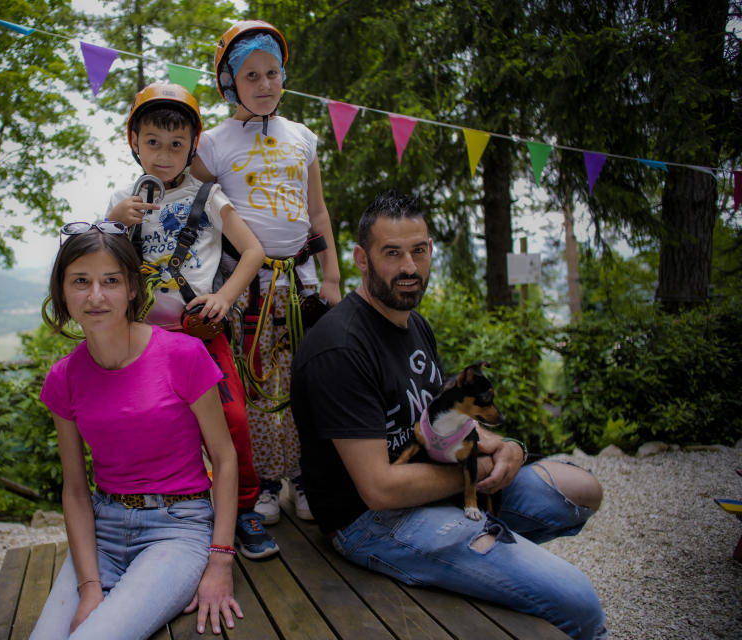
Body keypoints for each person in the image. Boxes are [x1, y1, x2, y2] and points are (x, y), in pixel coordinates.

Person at [290, 191, 608, 640]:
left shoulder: (414, 323)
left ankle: (475, 557)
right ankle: (475, 555)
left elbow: (439, 416)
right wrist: (476, 471)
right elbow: (379, 489)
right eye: (392, 253)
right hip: (370, 522)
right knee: (580, 603)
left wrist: (506, 448)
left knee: (580, 490)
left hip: (433, 483)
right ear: (361, 258)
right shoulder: (341, 348)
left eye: (419, 251)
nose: (409, 268)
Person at [29, 225, 242, 639]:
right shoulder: (64, 378)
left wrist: (220, 561)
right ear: (62, 292)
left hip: (178, 528)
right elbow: (75, 489)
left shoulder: (183, 355)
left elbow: (225, 457)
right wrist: (89, 588)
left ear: (131, 288)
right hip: (102, 531)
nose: (95, 296)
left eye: (110, 281)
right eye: (80, 282)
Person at [105, 82, 278, 560]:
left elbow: (253, 250)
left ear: (192, 146)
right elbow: (98, 262)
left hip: (201, 335)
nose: (164, 155)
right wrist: (116, 220)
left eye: (176, 144)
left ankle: (243, 507)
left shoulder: (210, 194)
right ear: (134, 141)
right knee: (152, 426)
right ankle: (165, 511)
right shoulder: (124, 199)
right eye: (153, 143)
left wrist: (225, 296)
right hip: (145, 340)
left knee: (233, 419)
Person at [191, 20, 342, 525]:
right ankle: (258, 484)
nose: (264, 84)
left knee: (304, 381)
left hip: (298, 289)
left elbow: (317, 215)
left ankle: (302, 476)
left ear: (283, 76)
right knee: (252, 386)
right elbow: (185, 199)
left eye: (272, 73)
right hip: (244, 290)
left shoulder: (303, 138)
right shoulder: (213, 144)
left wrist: (333, 278)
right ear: (229, 82)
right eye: (250, 75)